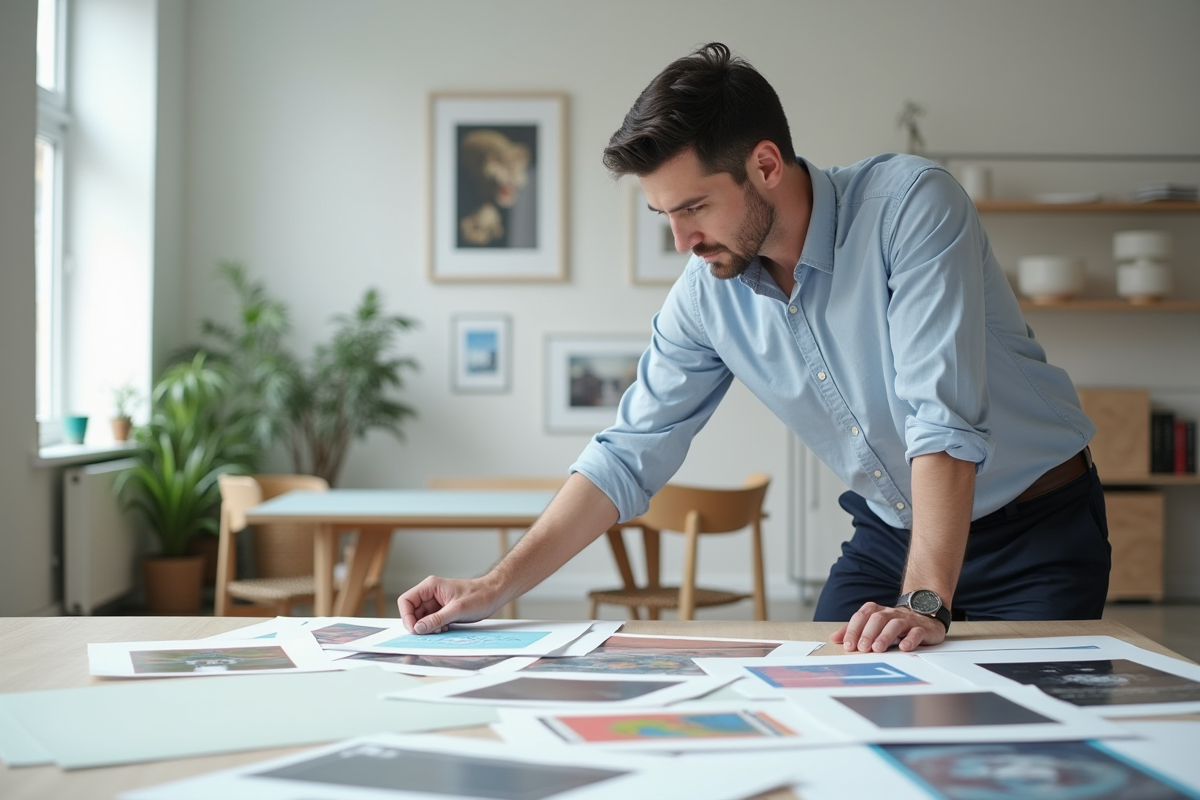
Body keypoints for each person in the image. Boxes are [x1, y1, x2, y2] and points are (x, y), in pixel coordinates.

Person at [399, 42, 1110, 652]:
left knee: (1017, 747)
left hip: (1034, 532)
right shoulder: (708, 292)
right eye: (664, 217)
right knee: (835, 716)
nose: (681, 241)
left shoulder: (910, 205)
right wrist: (492, 587)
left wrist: (925, 603)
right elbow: (626, 453)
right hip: (890, 533)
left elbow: (942, 418)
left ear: (765, 164)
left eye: (693, 208)